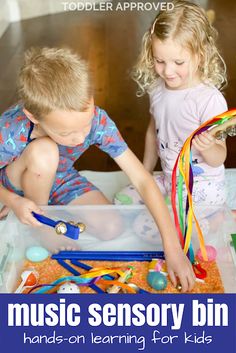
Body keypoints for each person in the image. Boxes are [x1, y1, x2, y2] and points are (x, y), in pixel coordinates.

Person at [0, 47, 195, 291]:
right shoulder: (11, 128)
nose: (81, 138)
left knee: (112, 228)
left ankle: (53, 213)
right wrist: (12, 200)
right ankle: (43, 221)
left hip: (60, 178)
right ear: (33, 117)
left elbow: (143, 180)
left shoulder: (98, 122)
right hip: (17, 182)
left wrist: (173, 247)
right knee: (45, 152)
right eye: (67, 133)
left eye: (86, 123)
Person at [115, 0, 228, 210]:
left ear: (200, 56)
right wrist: (145, 172)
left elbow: (219, 157)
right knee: (123, 202)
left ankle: (214, 218)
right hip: (170, 180)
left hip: (202, 186)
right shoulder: (158, 88)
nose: (167, 71)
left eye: (178, 63)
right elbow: (153, 131)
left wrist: (210, 146)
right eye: (160, 61)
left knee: (164, 220)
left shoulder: (208, 100)